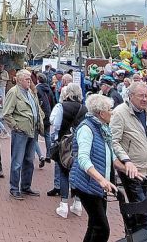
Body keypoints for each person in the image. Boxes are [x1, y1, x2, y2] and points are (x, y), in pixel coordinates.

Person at [71, 93, 141, 242]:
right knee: (102, 229)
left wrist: (126, 168)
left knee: (94, 225)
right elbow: (83, 158)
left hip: (97, 185)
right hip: (87, 184)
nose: (113, 111)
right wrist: (101, 179)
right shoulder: (87, 129)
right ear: (101, 113)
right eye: (110, 109)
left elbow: (111, 155)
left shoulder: (102, 127)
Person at [110, 82, 147, 234]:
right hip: (131, 170)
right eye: (141, 96)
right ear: (130, 96)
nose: (145, 99)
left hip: (145, 169)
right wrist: (126, 160)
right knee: (145, 214)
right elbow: (113, 141)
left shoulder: (146, 112)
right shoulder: (120, 113)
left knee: (138, 212)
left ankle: (132, 235)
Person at [1, 69, 46, 200]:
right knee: (17, 162)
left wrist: (40, 120)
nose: (30, 81)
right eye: (27, 79)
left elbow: (36, 108)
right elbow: (6, 113)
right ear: (20, 80)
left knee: (29, 160)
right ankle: (14, 188)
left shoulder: (30, 92)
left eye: (30, 79)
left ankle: (26, 186)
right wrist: (16, 126)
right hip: (21, 131)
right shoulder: (14, 92)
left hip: (32, 130)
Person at [52, 83, 86, 218]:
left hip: (64, 143)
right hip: (80, 144)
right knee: (78, 173)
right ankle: (77, 204)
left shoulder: (61, 106)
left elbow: (55, 125)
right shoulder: (85, 108)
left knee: (64, 172)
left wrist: (55, 140)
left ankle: (63, 205)